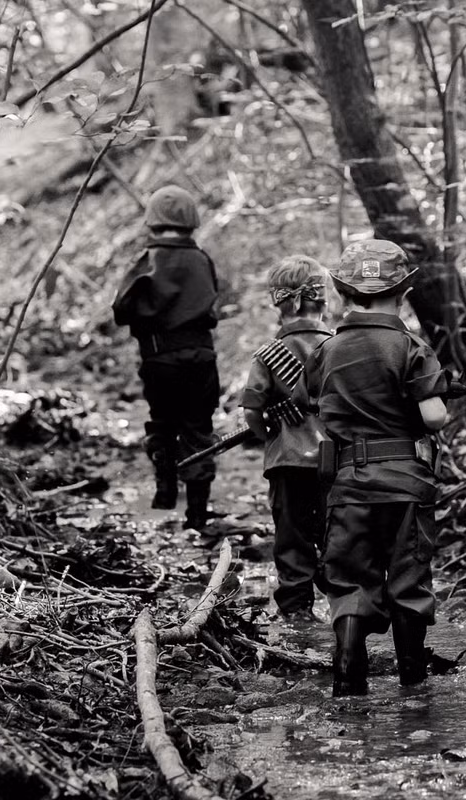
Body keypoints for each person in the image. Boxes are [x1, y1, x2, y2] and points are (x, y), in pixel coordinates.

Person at [300, 239, 450, 697]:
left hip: (348, 484)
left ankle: (347, 677)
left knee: (347, 581)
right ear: (402, 292)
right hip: (405, 482)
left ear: (344, 295)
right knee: (407, 578)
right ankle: (413, 686)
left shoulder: (327, 351)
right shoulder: (410, 346)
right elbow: (434, 417)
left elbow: (311, 403)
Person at [112, 185, 220, 530]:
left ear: (152, 223)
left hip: (160, 359)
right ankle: (198, 514)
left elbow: (121, 308)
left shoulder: (146, 261)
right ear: (191, 221)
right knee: (199, 428)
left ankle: (165, 493)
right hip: (202, 358)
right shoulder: (202, 259)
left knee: (163, 424)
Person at [239, 255, 333, 623]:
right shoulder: (339, 347)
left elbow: (251, 412)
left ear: (279, 304)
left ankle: (297, 611)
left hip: (287, 462)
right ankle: (343, 599)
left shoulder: (268, 354)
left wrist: (271, 435)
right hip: (335, 459)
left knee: (292, 536)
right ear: (324, 301)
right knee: (334, 530)